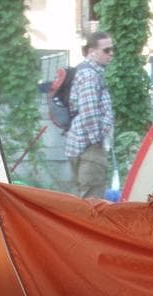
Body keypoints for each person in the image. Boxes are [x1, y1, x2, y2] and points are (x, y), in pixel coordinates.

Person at [65, 31, 115, 199]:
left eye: (112, 49)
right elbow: (89, 113)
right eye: (106, 50)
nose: (111, 54)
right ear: (92, 51)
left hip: (83, 146)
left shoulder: (89, 72)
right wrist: (97, 142)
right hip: (89, 149)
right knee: (92, 203)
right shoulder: (89, 75)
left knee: (84, 199)